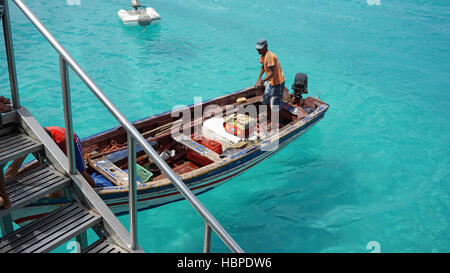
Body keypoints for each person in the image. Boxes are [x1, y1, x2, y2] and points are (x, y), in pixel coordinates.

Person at [5, 126, 96, 188]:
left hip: (69, 141)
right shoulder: (31, 140)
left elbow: (62, 168)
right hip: (52, 137)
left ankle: (94, 188)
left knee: (79, 171)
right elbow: (14, 166)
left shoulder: (63, 140)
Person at [254, 39, 285, 130]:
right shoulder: (262, 55)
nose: (258, 51)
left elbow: (271, 72)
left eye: (260, 49)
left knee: (274, 104)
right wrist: (259, 78)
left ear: (266, 46)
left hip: (277, 83)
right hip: (271, 82)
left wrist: (262, 81)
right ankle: (267, 116)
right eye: (257, 49)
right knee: (266, 100)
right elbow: (263, 67)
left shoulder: (270, 56)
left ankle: (275, 122)